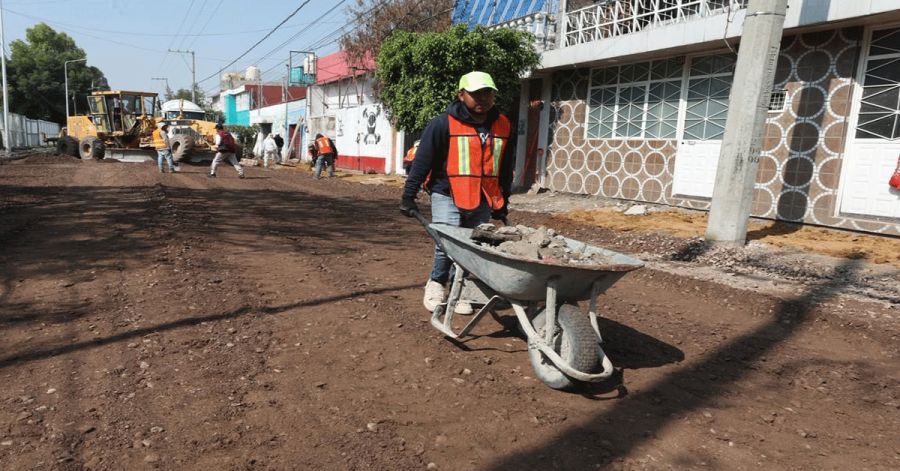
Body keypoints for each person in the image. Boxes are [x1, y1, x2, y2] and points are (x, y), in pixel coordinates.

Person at [399, 71, 514, 314]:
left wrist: (503, 200)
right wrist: (409, 195)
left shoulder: (502, 123)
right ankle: (436, 283)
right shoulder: (443, 123)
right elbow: (422, 161)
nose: (483, 98)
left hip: (482, 195)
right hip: (447, 191)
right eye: (476, 94)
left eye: (488, 93)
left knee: (472, 243)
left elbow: (503, 165)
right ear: (461, 95)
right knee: (448, 242)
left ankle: (458, 288)